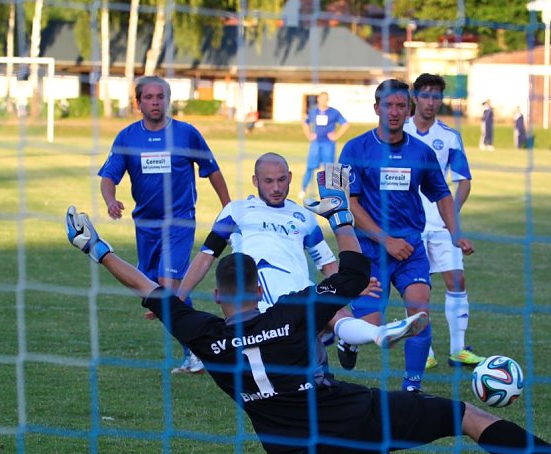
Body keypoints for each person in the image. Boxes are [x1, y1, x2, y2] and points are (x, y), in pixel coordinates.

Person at [64, 173, 551, 454]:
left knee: (354, 440)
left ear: (215, 297)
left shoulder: (205, 339)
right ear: (260, 287)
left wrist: (95, 249)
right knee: (458, 414)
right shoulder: (290, 311)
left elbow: (150, 289)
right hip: (344, 416)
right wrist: (338, 215)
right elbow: (354, 274)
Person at [177, 153, 426, 357]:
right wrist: (178, 298)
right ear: (255, 180)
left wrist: (350, 286)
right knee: (300, 350)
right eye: (268, 181)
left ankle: (378, 334)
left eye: (282, 180)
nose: (276, 188)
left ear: (291, 178)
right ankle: (350, 339)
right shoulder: (237, 211)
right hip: (262, 291)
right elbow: (206, 256)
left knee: (336, 315)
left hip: (300, 286)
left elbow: (327, 264)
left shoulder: (304, 217)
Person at [336, 79, 474, 392]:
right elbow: (349, 202)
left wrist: (455, 234)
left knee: (420, 309)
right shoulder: (355, 149)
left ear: (409, 109)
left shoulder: (421, 153)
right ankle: (347, 339)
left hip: (411, 250)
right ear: (376, 108)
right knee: (369, 327)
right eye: (389, 105)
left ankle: (412, 385)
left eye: (401, 106)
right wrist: (385, 240)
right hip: (369, 253)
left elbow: (442, 194)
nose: (395, 112)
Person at [98, 75, 231, 373]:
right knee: (151, 291)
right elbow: (109, 177)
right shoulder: (127, 138)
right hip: (145, 226)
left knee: (169, 289)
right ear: (138, 102)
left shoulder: (186, 134)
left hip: (179, 222)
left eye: (160, 97)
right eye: (149, 97)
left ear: (168, 100)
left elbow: (213, 171)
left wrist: (228, 209)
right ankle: (199, 347)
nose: (155, 102)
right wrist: (110, 200)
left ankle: (200, 353)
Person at [403, 73, 485, 370]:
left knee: (457, 280)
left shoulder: (449, 136)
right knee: (416, 287)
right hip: (408, 223)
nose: (431, 102)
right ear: (415, 97)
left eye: (437, 96)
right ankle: (424, 351)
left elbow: (464, 181)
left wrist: (451, 214)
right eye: (425, 95)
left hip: (439, 224)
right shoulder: (401, 131)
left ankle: (458, 350)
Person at [299, 92, 350, 199]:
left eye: (326, 99)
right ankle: (303, 189)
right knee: (310, 167)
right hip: (316, 143)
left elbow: (345, 124)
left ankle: (331, 193)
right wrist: (308, 135)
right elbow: (304, 122)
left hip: (328, 144)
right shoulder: (313, 112)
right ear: (318, 99)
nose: (323, 101)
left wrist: (336, 135)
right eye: (322, 99)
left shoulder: (334, 112)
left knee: (330, 168)